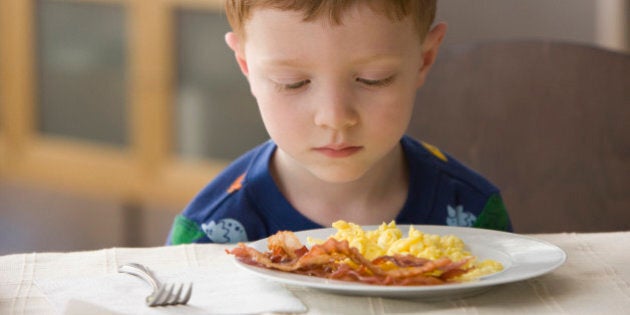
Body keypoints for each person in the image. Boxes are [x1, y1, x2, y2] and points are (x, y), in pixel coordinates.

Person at [167, 0, 512, 245]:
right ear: (245, 65)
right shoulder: (207, 237)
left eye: (373, 79)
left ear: (424, 59)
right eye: (293, 82)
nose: (334, 117)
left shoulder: (475, 215)